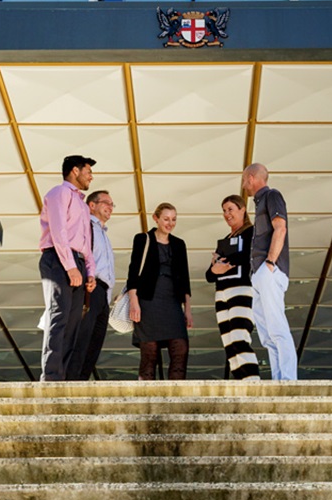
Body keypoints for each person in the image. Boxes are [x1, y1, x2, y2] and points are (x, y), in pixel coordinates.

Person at [37, 155, 96, 382]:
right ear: (75, 171)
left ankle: (63, 378)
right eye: (88, 171)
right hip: (58, 259)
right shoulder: (58, 193)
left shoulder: (81, 203)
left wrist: (89, 272)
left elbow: (86, 243)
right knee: (58, 317)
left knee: (72, 324)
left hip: (77, 261)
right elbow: (58, 231)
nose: (91, 176)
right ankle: (50, 377)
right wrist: (70, 267)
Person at [241, 163, 297, 381]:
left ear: (253, 177)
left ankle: (289, 381)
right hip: (259, 275)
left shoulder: (272, 196)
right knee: (266, 335)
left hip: (268, 271)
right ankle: (278, 379)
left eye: (245, 180)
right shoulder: (259, 203)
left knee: (277, 329)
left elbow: (280, 228)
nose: (244, 184)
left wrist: (270, 263)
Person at [126, 202, 192, 380]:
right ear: (156, 219)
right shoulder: (142, 240)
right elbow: (133, 274)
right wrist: (134, 302)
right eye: (166, 219)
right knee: (150, 353)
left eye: (173, 220)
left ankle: (176, 399)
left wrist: (188, 309)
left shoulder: (179, 244)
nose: (170, 223)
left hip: (172, 302)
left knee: (180, 349)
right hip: (147, 302)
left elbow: (185, 279)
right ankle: (145, 400)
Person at [205, 194, 261, 380]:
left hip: (241, 289)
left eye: (230, 209)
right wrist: (217, 267)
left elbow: (247, 257)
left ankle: (253, 383)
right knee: (229, 344)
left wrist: (222, 263)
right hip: (221, 293)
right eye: (224, 210)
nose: (227, 214)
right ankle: (241, 383)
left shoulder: (251, 232)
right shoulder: (225, 240)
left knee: (239, 338)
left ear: (242, 209)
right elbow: (209, 275)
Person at [67, 189, 115, 380]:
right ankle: (70, 383)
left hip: (103, 293)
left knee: (94, 344)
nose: (110, 208)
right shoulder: (86, 226)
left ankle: (81, 382)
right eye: (106, 203)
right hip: (89, 288)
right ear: (92, 205)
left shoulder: (104, 233)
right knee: (81, 339)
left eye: (112, 204)